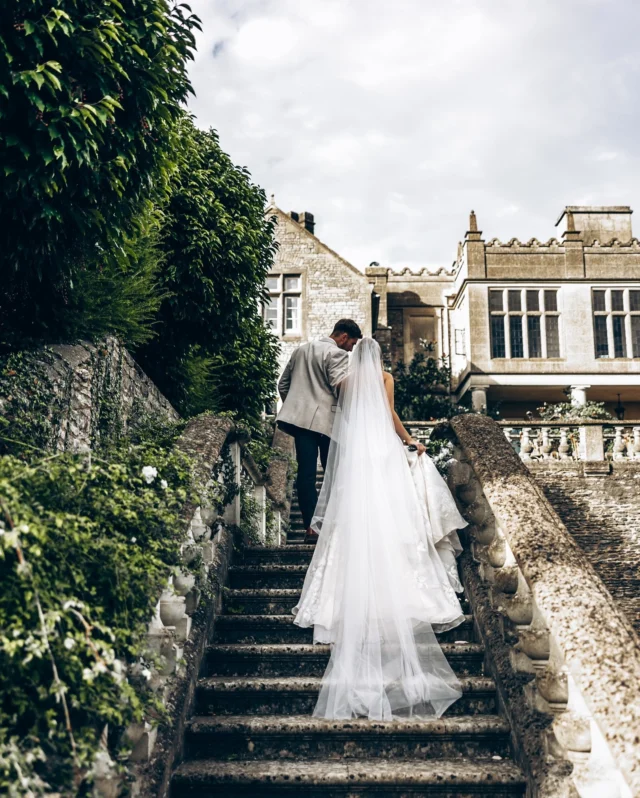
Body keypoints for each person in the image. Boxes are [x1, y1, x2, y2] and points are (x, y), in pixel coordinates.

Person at [293, 337, 467, 721]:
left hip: (355, 457)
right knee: (393, 516)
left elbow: (344, 418)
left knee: (356, 519)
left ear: (353, 358)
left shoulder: (346, 382)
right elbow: (389, 415)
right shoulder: (385, 377)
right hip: (382, 452)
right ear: (379, 358)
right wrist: (410, 441)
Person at [277, 319, 362, 544]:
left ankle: (310, 528)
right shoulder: (337, 354)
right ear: (343, 337)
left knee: (305, 474)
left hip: (302, 424)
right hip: (327, 424)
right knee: (334, 474)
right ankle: (335, 526)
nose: (350, 349)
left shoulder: (300, 350)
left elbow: (282, 385)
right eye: (351, 344)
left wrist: (297, 409)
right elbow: (340, 386)